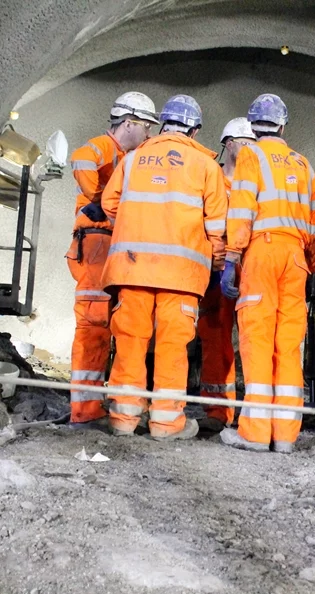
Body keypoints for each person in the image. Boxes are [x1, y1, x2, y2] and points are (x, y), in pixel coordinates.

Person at [100, 94, 227, 440]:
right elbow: (217, 228)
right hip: (182, 277)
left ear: (163, 124)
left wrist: (134, 225)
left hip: (132, 269)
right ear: (195, 130)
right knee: (173, 346)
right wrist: (215, 264)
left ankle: (124, 419)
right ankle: (166, 424)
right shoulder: (205, 167)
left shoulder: (134, 158)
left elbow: (109, 204)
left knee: (129, 340)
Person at [219, 94, 315, 453]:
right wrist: (310, 263)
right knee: (289, 346)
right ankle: (285, 437)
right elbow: (314, 223)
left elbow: (241, 210)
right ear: (282, 125)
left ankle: (255, 432)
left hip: (261, 253)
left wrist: (232, 258)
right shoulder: (303, 164)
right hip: (295, 259)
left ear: (252, 126)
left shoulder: (251, 156)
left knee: (257, 339)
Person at [66, 91, 158, 427]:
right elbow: (80, 158)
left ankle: (94, 405)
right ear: (129, 122)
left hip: (109, 243)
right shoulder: (105, 148)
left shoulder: (127, 156)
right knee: (94, 324)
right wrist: (98, 200)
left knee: (110, 324)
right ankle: (86, 410)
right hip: (97, 244)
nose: (149, 133)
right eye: (146, 126)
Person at [196, 118, 256, 433]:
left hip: (252, 272)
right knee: (215, 338)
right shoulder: (213, 178)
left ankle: (255, 415)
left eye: (253, 144)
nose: (249, 149)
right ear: (228, 143)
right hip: (217, 271)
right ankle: (218, 410)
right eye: (244, 142)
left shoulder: (260, 182)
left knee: (253, 342)